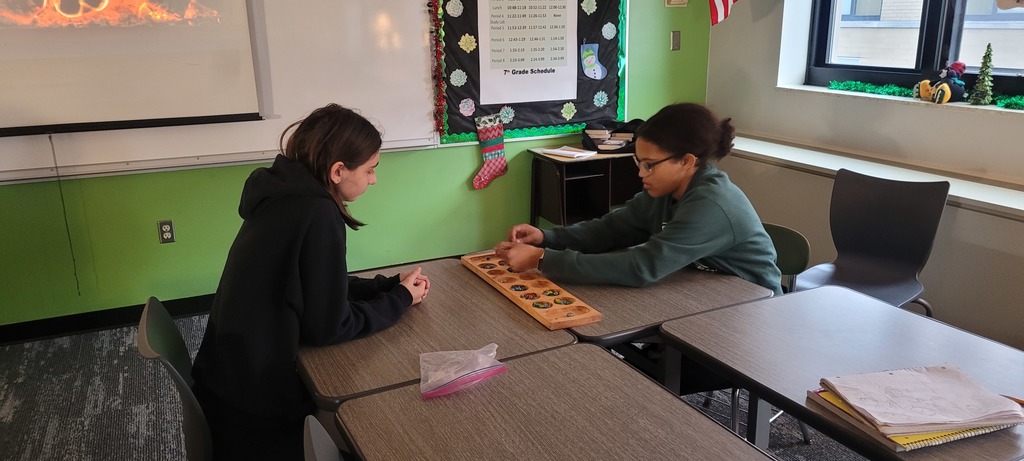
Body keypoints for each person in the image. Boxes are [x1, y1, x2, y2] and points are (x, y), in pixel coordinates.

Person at [191, 103, 429, 460]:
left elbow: (310, 284)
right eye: (370, 170)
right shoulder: (317, 213)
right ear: (337, 171)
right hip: (256, 412)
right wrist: (399, 300)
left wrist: (387, 284)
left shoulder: (282, 193)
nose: (374, 179)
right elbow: (329, 327)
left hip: (227, 380)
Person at [495, 102, 782, 296]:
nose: (641, 173)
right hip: (699, 289)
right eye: (638, 162)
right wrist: (546, 238)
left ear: (686, 161)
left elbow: (642, 266)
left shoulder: (712, 204)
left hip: (749, 306)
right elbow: (610, 229)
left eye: (650, 165)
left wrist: (544, 259)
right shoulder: (665, 190)